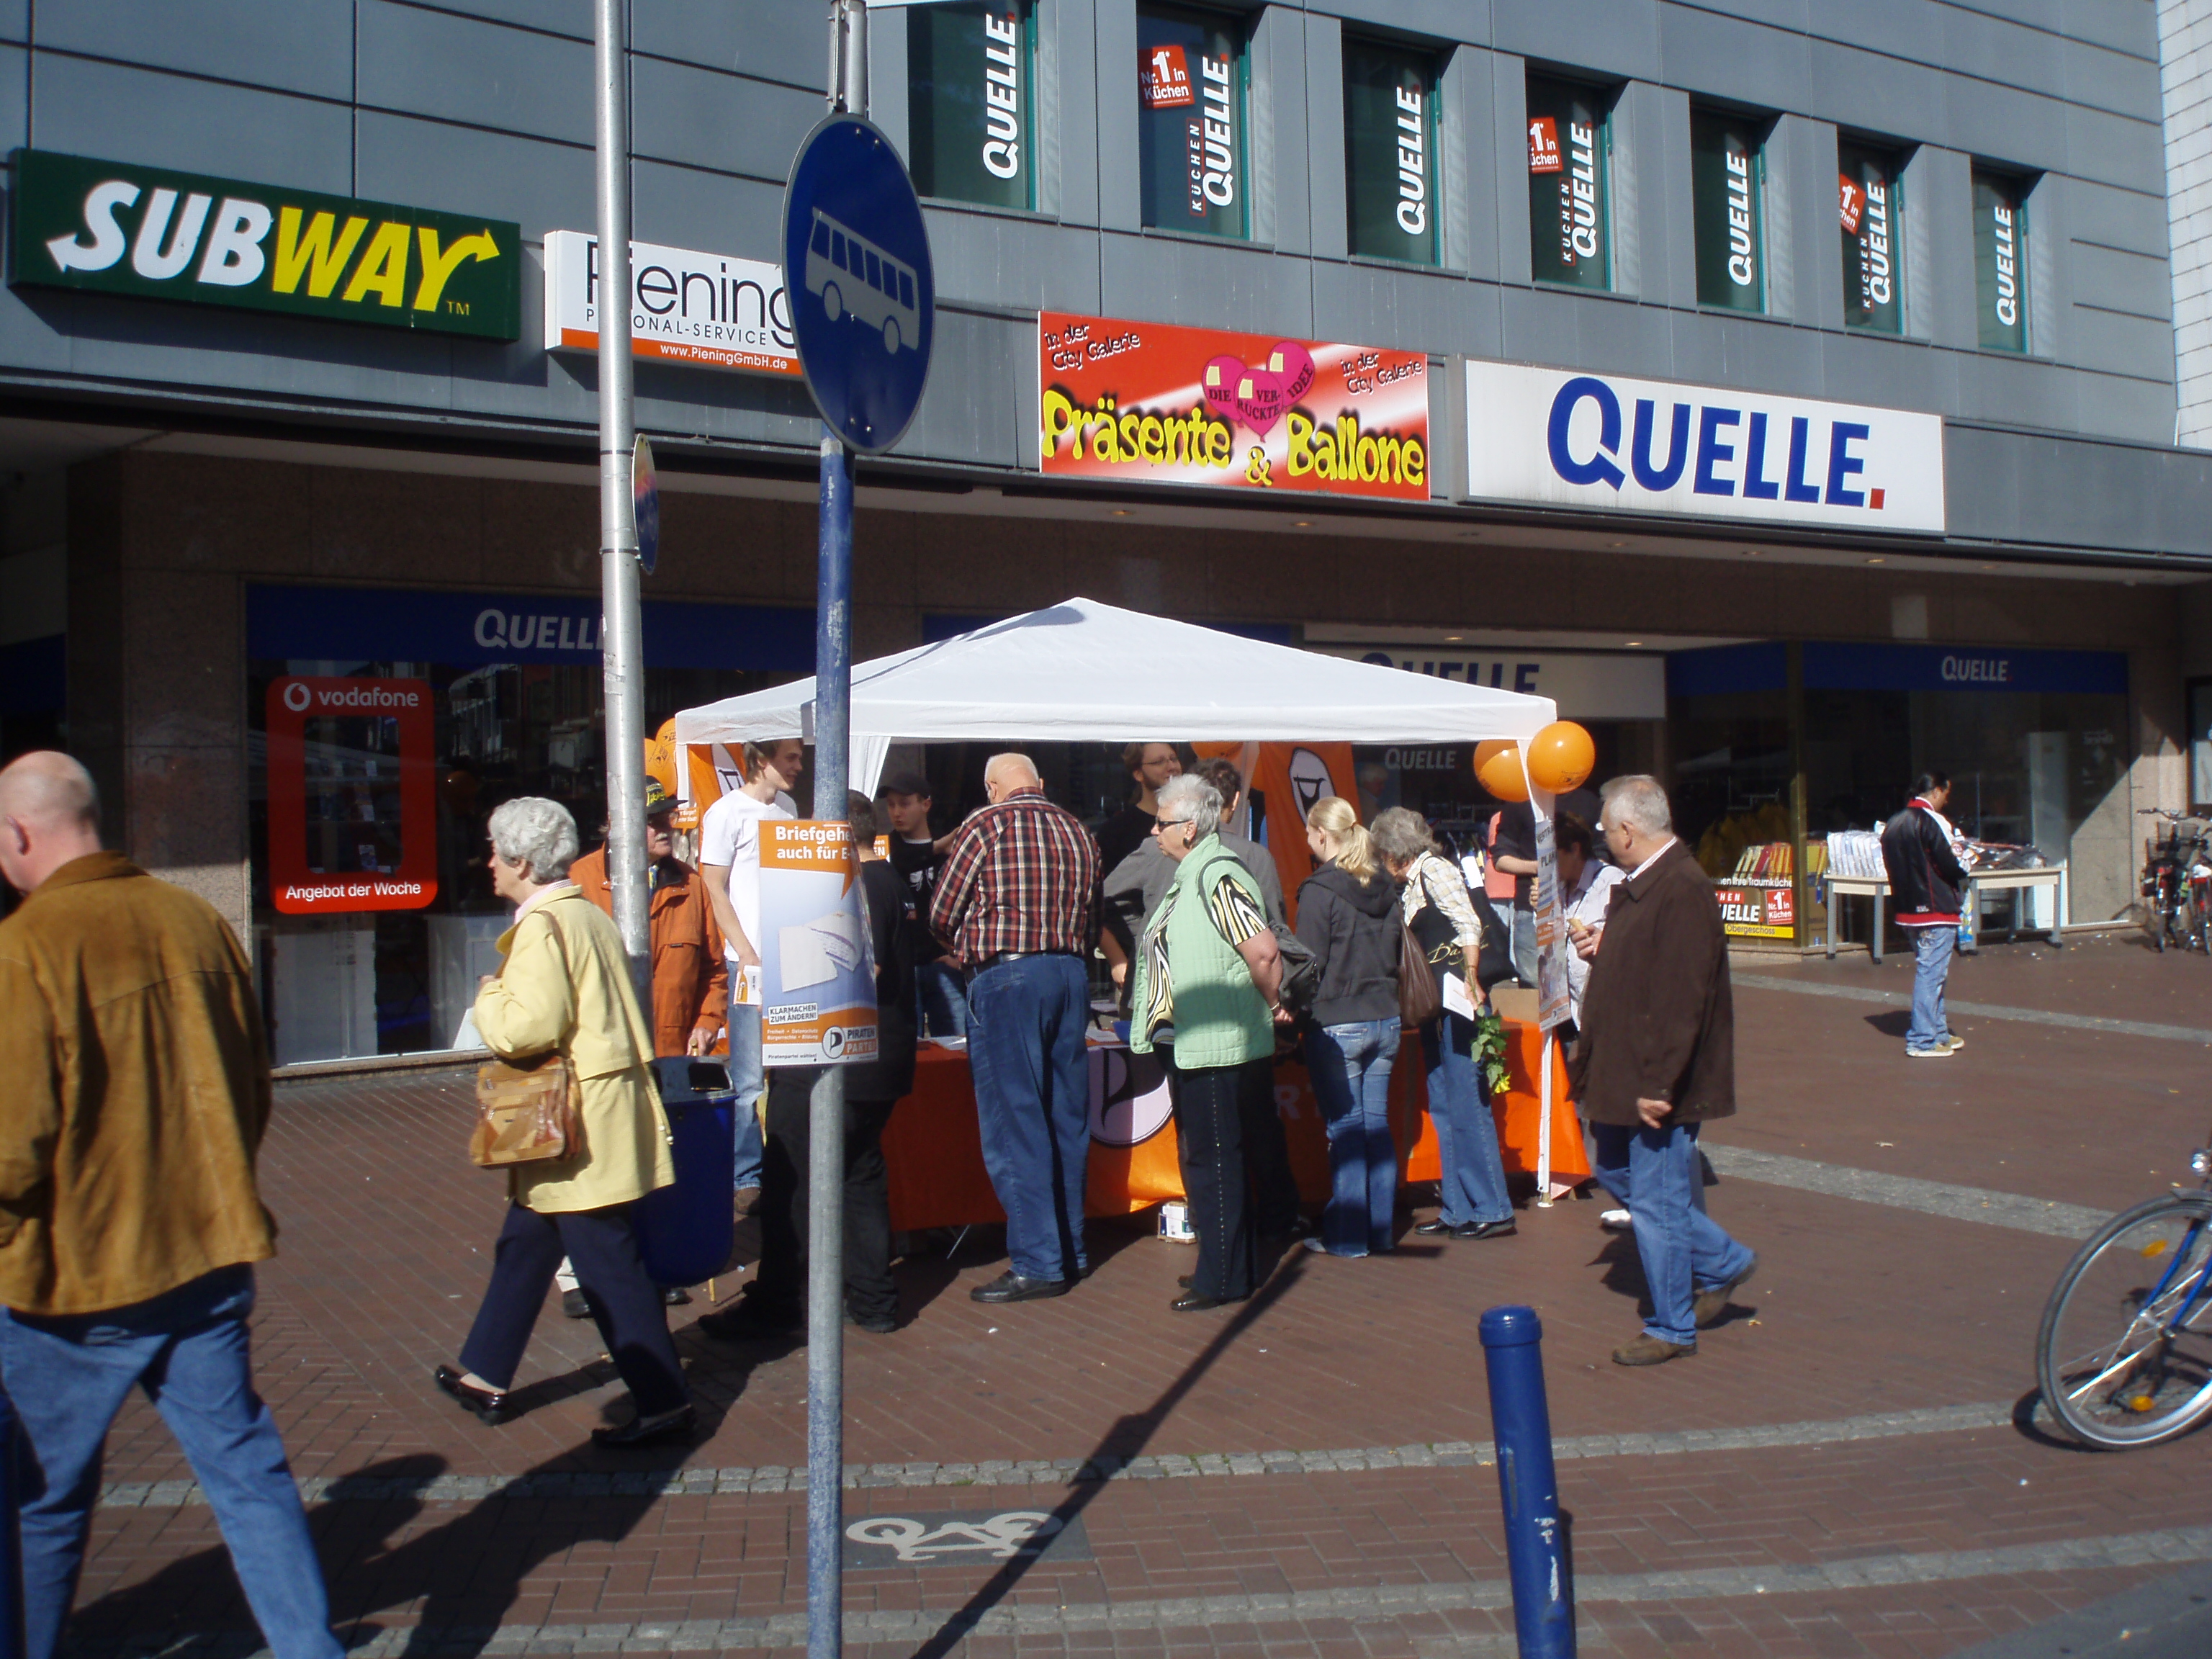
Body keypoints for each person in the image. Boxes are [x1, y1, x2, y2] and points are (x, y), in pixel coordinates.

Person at [0, 752, 343, 1659]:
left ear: (19, 834)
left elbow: (11, 1145)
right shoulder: (194, 919)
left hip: (76, 1281)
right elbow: (251, 1084)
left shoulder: (25, 948)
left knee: (44, 1502)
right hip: (205, 1253)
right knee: (248, 1475)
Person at [436, 797, 692, 1444]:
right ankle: (485, 1373)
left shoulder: (544, 926)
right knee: (526, 1244)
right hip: (590, 1115)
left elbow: (526, 1029)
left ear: (523, 863)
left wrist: (488, 995)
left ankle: (663, 1402)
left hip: (575, 1125)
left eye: (496, 852)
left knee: (609, 1266)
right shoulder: (584, 913)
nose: (489, 863)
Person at [702, 793, 917, 1339]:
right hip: (874, 1060)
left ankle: (779, 1300)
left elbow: (861, 966)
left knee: (791, 1178)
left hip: (834, 1057)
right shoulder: (886, 880)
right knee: (859, 1174)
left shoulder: (859, 884)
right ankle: (872, 1299)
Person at [1569, 775, 1756, 1368]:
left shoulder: (1681, 888)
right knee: (1614, 1168)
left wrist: (1659, 1086)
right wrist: (1606, 946)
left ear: (1628, 831)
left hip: (1654, 1077)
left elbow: (1682, 999)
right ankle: (1723, 1260)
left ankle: (1672, 1325)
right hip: (1624, 1069)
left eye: (1606, 830)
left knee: (1656, 1199)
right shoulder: (1645, 885)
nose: (1603, 840)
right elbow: (1650, 962)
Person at [1100, 757, 1302, 1242]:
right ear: (1230, 805)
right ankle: (1276, 1218)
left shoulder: (1161, 851)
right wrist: (1277, 1004)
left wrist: (1127, 950)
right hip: (1243, 1010)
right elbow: (1273, 931)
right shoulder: (1251, 856)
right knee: (1256, 1119)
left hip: (1181, 1013)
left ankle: (1215, 1230)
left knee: (1200, 1131)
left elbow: (1099, 898)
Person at [930, 752, 1102, 1303]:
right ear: (1039, 783)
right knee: (1066, 1118)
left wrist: (962, 944)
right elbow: (1092, 916)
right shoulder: (1078, 831)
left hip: (1008, 976)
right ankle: (1070, 1249)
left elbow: (942, 911)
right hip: (1069, 973)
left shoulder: (986, 824)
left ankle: (1039, 1260)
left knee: (1016, 1120)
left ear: (991, 787)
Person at [559, 778, 721, 1315]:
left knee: (657, 1165)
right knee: (592, 1164)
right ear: (616, 826)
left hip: (667, 1055)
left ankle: (654, 1265)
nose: (665, 829)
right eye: (653, 822)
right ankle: (579, 1277)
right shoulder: (581, 881)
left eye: (667, 818)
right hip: (599, 1057)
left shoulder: (690, 885)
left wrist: (708, 1021)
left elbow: (715, 970)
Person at [1129, 775, 1285, 1310]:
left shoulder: (1216, 872)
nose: (1154, 832)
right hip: (1197, 1038)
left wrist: (1272, 1002)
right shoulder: (1193, 872)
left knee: (1214, 1161)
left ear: (1189, 829)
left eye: (1162, 823)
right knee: (1212, 1158)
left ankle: (1223, 1278)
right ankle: (1226, 1267)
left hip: (1216, 1041)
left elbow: (1263, 950)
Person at [1372, 806, 1514, 1244]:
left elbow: (1469, 923)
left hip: (1458, 1001)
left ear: (1394, 852)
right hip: (1436, 1006)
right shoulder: (1411, 881)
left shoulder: (1436, 869)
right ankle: (1458, 1207)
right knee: (1445, 1104)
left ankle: (1492, 1207)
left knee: (1467, 1102)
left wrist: (1471, 979)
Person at [1293, 796, 1404, 1259]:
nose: (1307, 840)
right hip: (1386, 1016)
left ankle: (1348, 1236)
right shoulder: (1385, 884)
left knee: (1346, 1130)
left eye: (1308, 833)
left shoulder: (1319, 889)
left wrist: (1291, 1014)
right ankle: (1378, 1230)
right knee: (1375, 1127)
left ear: (1322, 834)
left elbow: (1306, 965)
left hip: (1338, 1021)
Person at [699, 737, 804, 1196]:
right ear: (762, 760)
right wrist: (745, 953)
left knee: (788, 1069)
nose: (799, 766)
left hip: (789, 961)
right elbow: (713, 885)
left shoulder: (789, 810)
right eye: (791, 757)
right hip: (751, 964)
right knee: (747, 1075)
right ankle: (746, 1176)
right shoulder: (725, 813)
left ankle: (783, 1166)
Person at [1881, 771, 1969, 1059]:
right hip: (1935, 907)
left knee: (1932, 972)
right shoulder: (1933, 820)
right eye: (1946, 793)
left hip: (1908, 909)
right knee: (1931, 975)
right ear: (1937, 791)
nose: (1947, 800)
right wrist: (1968, 859)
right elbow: (1953, 864)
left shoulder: (1894, 823)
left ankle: (1938, 1033)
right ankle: (1923, 1039)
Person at [879, 767, 966, 1038]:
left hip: (946, 963)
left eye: (904, 804)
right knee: (909, 1048)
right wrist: (938, 847)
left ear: (926, 804)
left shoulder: (949, 845)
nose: (896, 812)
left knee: (958, 1045)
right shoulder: (888, 847)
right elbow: (905, 859)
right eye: (891, 805)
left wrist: (957, 955)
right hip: (904, 968)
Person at [1556, 813, 1625, 1034]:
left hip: (1606, 1012)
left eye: (1552, 857)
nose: (1545, 866)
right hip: (1569, 1010)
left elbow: (1627, 941)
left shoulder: (1612, 882)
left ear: (1575, 849)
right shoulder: (1558, 887)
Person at [1095, 741, 1182, 878]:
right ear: (1138, 774)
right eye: (1159, 762)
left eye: (1174, 759)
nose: (1171, 766)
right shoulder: (1116, 832)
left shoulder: (1195, 819)